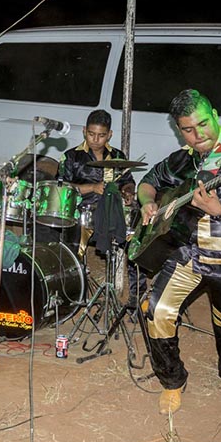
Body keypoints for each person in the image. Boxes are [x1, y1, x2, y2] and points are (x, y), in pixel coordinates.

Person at [136, 89, 221, 415]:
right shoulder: (182, 159)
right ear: (178, 129)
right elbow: (148, 181)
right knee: (156, 310)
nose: (198, 136)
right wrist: (147, 202)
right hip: (188, 250)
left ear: (214, 113)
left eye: (203, 124)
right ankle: (172, 379)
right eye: (187, 129)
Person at [57, 109, 144, 301]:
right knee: (73, 252)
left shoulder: (118, 156)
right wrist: (91, 188)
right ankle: (76, 295)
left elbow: (128, 180)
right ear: (84, 131)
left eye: (101, 135)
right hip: (83, 212)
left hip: (112, 213)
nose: (95, 139)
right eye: (91, 134)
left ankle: (133, 297)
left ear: (109, 135)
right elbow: (61, 187)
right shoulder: (71, 157)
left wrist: (128, 191)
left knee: (136, 240)